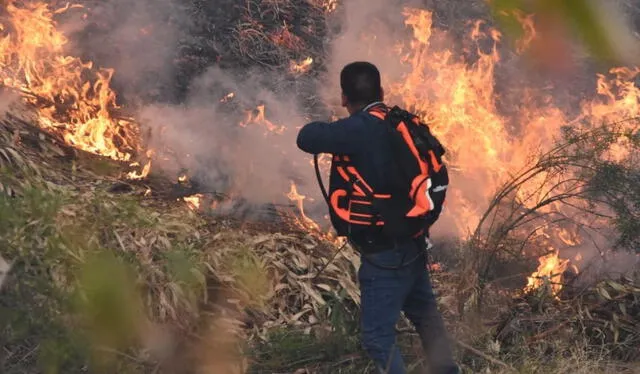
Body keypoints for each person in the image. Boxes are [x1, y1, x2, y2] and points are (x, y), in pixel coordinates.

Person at [296, 61, 460, 374]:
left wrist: (336, 127)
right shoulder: (401, 121)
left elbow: (306, 137)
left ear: (344, 98)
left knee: (377, 338)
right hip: (413, 240)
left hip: (384, 254)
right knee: (427, 319)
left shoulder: (357, 129)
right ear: (382, 92)